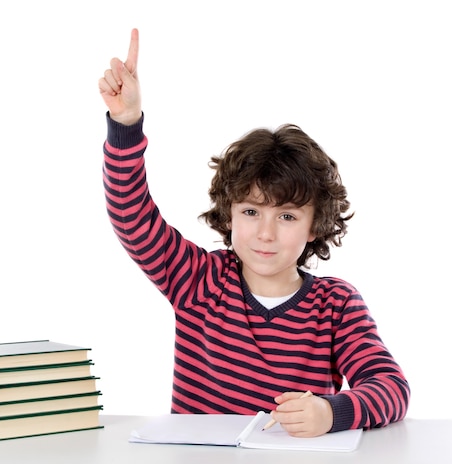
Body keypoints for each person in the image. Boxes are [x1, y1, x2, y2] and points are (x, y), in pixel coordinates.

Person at [98, 28, 409, 438]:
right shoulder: (198, 279)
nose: (265, 234)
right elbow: (131, 215)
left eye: (287, 217)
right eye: (251, 211)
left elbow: (391, 388)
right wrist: (126, 124)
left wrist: (333, 412)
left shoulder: (335, 304)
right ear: (229, 214)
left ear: (315, 223)